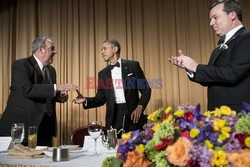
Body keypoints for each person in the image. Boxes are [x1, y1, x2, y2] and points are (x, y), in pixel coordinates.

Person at [169, 0, 250, 112]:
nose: (211, 23)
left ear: (232, 15)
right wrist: (189, 68)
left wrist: (196, 67)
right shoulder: (218, 48)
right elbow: (211, 77)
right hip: (217, 116)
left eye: (215, 18)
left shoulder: (247, 38)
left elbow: (232, 73)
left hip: (237, 115)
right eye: (210, 19)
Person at [0, 36, 79, 146]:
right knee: (20, 163)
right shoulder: (21, 65)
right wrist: (58, 87)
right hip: (23, 126)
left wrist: (59, 96)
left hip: (45, 128)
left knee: (43, 162)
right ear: (41, 50)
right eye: (52, 48)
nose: (55, 52)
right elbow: (26, 89)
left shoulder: (51, 70)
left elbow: (45, 93)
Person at [72, 39, 151, 133]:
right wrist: (85, 100)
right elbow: (101, 99)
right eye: (101, 50)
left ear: (114, 49)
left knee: (136, 146)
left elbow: (146, 90)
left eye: (104, 49)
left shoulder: (133, 66)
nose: (102, 52)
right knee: (114, 146)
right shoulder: (103, 74)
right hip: (114, 117)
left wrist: (140, 106)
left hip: (133, 115)